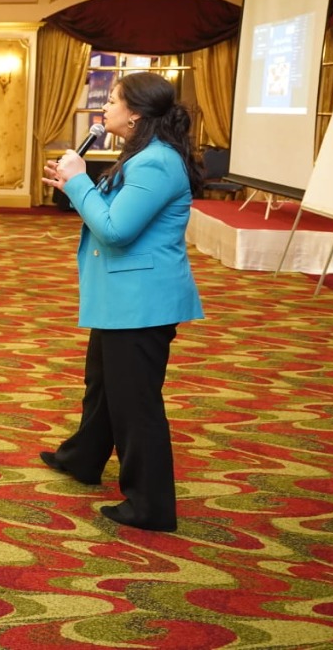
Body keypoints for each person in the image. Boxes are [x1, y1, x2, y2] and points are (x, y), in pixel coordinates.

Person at [39, 72, 204, 533]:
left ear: (134, 114)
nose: (105, 107)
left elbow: (116, 231)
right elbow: (109, 212)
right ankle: (83, 457)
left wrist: (80, 183)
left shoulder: (156, 162)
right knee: (103, 385)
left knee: (136, 403)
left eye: (112, 100)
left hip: (142, 302)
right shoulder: (141, 154)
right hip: (123, 298)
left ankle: (150, 505)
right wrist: (74, 187)